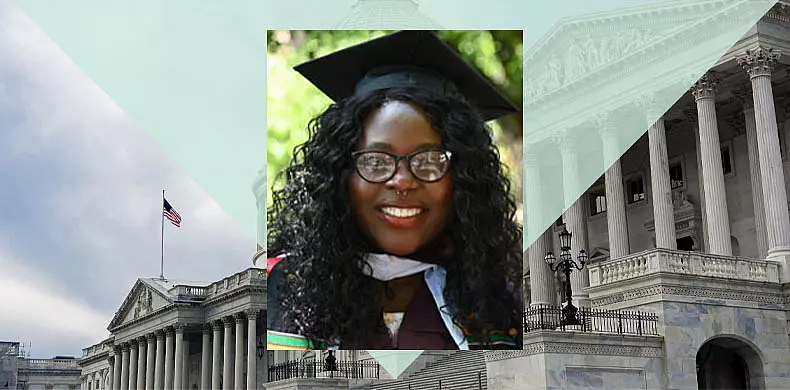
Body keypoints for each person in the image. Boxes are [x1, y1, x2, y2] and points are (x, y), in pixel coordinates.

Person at [267, 30, 523, 351]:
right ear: (341, 176)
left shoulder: (502, 306)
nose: (402, 181)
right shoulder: (282, 293)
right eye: (375, 161)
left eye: (429, 161)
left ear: (462, 179)